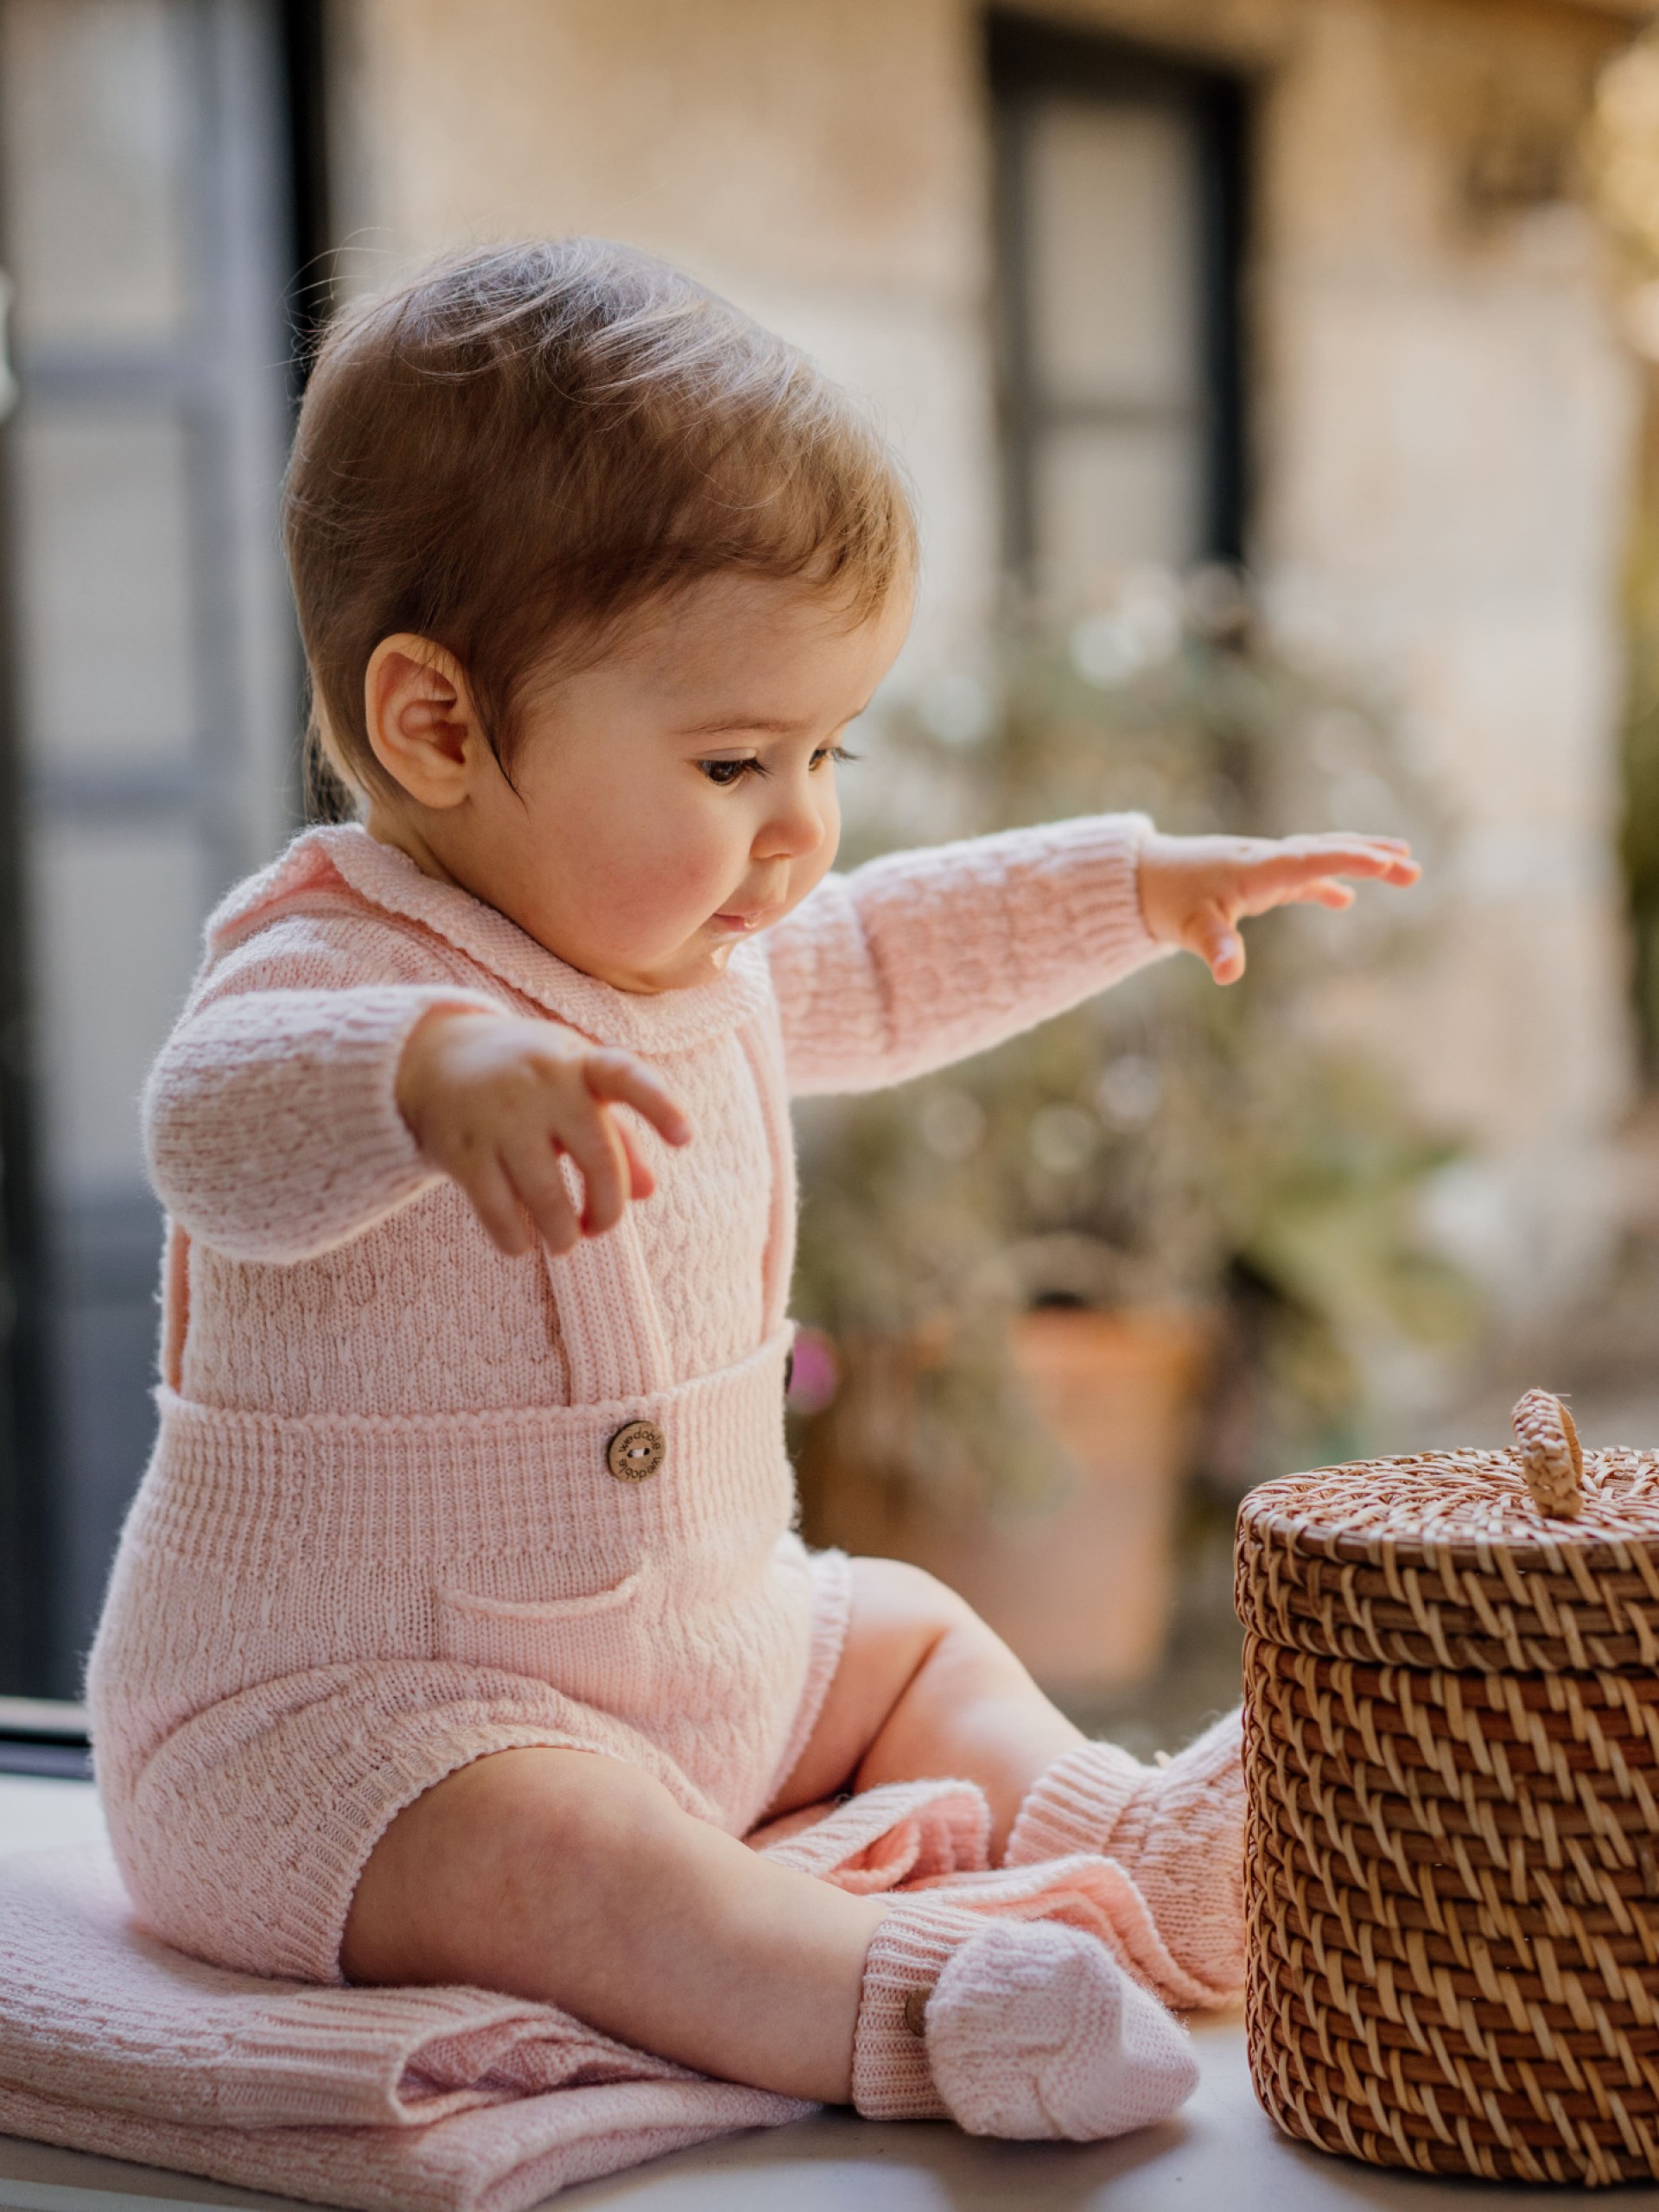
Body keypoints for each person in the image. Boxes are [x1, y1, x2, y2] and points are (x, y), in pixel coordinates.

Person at [86, 239, 1417, 2140]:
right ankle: (912, 2000)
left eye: (825, 751)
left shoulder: (684, 949)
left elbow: (885, 951)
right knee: (573, 1855)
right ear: (438, 725)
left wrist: (1136, 886)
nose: (800, 826)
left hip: (705, 1653)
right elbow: (206, 1121)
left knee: (904, 1630)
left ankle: (1142, 1845)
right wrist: (422, 1070)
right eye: (732, 758)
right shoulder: (328, 962)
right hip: (352, 1734)